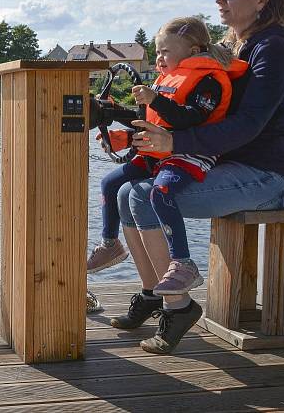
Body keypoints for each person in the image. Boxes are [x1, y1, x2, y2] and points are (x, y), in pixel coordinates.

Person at [110, 0, 284, 355]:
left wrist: (175, 144)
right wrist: (123, 115)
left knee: (145, 195)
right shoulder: (227, 49)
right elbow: (186, 109)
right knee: (127, 193)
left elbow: (249, 125)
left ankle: (177, 305)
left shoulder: (274, 48)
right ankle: (152, 292)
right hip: (227, 165)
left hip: (268, 176)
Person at [88, 17, 248, 298]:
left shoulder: (210, 81)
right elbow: (150, 119)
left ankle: (183, 263)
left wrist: (155, 100)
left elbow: (190, 119)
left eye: (165, 51)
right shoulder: (167, 79)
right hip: (159, 152)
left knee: (161, 191)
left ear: (194, 51)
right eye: (158, 52)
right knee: (111, 184)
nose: (160, 58)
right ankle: (110, 243)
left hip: (191, 154)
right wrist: (117, 123)